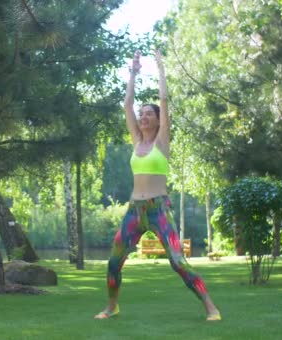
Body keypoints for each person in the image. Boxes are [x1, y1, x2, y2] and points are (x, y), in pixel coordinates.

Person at [94, 50, 221, 321]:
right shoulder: (136, 141)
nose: (143, 116)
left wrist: (160, 68)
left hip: (158, 209)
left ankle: (211, 307)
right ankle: (112, 306)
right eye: (142, 114)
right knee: (115, 262)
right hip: (134, 211)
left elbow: (164, 99)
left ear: (158, 119)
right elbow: (127, 104)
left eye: (149, 113)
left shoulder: (161, 143)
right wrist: (133, 72)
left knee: (177, 261)